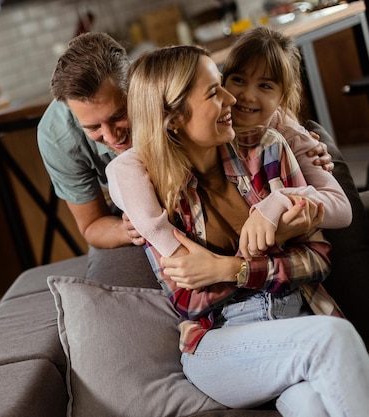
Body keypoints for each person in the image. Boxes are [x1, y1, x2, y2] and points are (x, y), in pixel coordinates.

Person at [110, 44, 369, 416]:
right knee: (333, 337)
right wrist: (272, 258)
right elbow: (190, 299)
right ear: (173, 118)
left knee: (312, 405)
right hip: (219, 345)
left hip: (297, 319)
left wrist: (229, 269)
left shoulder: (266, 149)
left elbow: (317, 258)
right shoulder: (151, 191)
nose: (231, 98)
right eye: (214, 92)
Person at [37, 32, 333, 250]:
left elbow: (231, 106)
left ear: (141, 92)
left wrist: (298, 139)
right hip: (128, 218)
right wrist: (128, 230)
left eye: (119, 116)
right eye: (93, 128)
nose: (113, 136)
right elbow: (91, 226)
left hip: (195, 192)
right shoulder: (57, 137)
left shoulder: (163, 85)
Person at [107, 26, 351, 260]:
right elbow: (124, 167)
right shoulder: (209, 123)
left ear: (282, 98)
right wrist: (151, 224)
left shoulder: (285, 134)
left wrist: (279, 202)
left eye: (265, 86)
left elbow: (341, 209)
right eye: (238, 80)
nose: (244, 96)